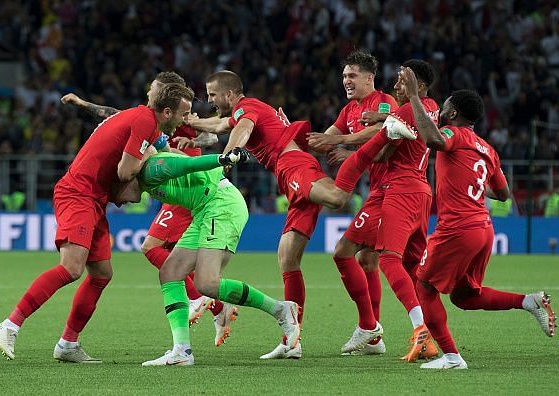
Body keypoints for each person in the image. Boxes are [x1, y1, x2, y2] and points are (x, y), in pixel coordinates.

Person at [0, 82, 195, 363]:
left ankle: (68, 344)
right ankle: (10, 325)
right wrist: (150, 157)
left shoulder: (143, 121)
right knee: (71, 268)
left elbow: (162, 146)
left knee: (101, 274)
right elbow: (125, 172)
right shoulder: (146, 122)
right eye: (184, 114)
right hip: (78, 194)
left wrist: (205, 164)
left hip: (94, 199)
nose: (187, 120)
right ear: (168, 111)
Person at [187, 70, 370, 359]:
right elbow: (223, 124)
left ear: (230, 95)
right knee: (287, 257)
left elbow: (241, 129)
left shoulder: (247, 107)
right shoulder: (244, 111)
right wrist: (192, 121)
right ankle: (292, 341)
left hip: (292, 164)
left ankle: (369, 151)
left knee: (337, 198)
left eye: (212, 95)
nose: (209, 100)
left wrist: (229, 156)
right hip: (289, 171)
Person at [62, 72, 236, 347]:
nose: (148, 97)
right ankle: (215, 306)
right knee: (171, 255)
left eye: (152, 92)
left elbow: (211, 138)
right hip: (169, 186)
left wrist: (194, 143)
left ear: (165, 94)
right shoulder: (150, 121)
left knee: (152, 248)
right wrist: (83, 104)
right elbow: (112, 114)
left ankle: (204, 300)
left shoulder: (183, 114)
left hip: (187, 183)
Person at [399, 67, 556, 369]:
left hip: (457, 228)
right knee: (465, 297)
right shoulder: (489, 150)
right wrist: (472, 183)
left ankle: (452, 357)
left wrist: (416, 97)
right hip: (483, 228)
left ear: (453, 112)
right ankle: (528, 301)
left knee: (425, 287)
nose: (441, 112)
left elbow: (432, 139)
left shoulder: (452, 134)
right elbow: (504, 194)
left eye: (444, 107)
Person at [112, 150, 301, 366]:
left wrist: (222, 158)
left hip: (221, 205)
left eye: (114, 195)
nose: (117, 203)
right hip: (204, 210)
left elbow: (188, 165)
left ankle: (281, 310)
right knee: (170, 272)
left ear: (124, 180)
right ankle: (182, 351)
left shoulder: (151, 171)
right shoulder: (146, 176)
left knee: (207, 283)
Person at [334, 60, 440, 362]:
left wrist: (350, 150)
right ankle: (415, 333)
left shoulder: (404, 110)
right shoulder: (430, 108)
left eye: (402, 81)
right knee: (400, 266)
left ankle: (414, 329)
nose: (396, 86)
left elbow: (381, 152)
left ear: (418, 86)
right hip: (421, 192)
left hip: (397, 191)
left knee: (386, 260)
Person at [307, 50, 398, 355]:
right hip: (379, 191)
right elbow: (326, 139)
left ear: (369, 78)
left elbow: (384, 131)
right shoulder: (349, 111)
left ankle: (370, 326)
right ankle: (374, 338)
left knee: (343, 253)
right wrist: (290, 137)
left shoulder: (384, 102)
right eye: (344, 76)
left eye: (352, 75)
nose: (346, 80)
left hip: (394, 190)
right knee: (368, 260)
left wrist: (344, 143)